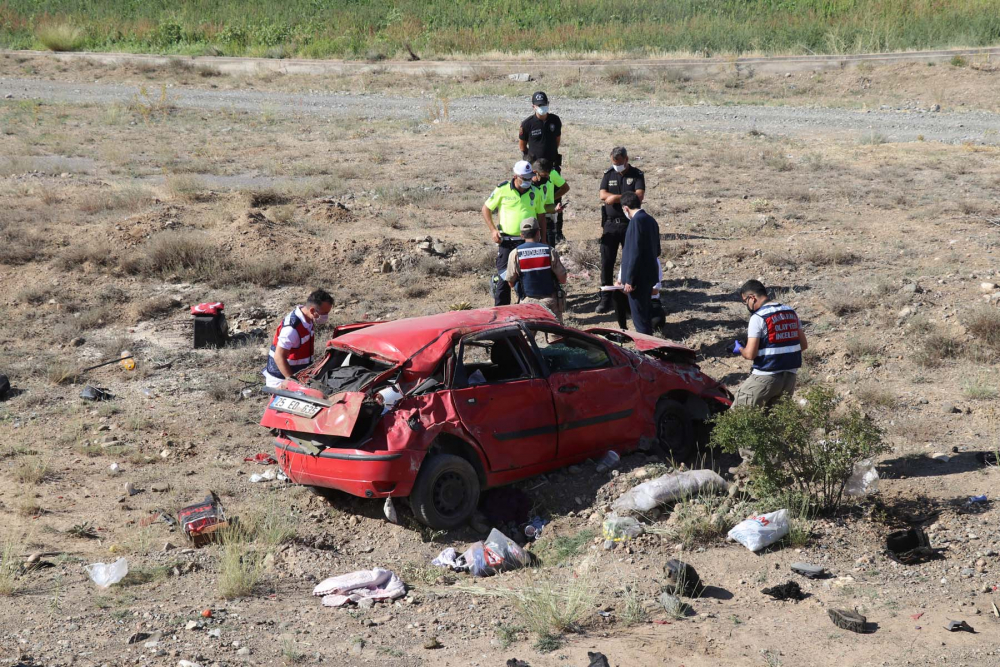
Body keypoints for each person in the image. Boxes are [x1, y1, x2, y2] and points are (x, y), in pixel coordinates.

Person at [731, 279, 808, 408]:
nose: (746, 305)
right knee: (773, 425)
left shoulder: (758, 317)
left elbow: (750, 354)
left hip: (764, 378)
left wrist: (740, 349)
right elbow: (803, 345)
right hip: (789, 379)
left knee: (736, 420)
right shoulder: (790, 312)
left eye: (745, 301)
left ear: (752, 298)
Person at [482, 160, 547, 306]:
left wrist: (543, 238)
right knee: (505, 277)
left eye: (530, 178)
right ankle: (501, 311)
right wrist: (493, 230)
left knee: (527, 276)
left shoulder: (535, 192)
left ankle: (525, 307)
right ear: (515, 176)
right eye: (525, 178)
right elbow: (486, 209)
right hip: (507, 240)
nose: (528, 181)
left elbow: (541, 216)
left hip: (528, 241)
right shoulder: (502, 190)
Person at [597, 146, 645, 313]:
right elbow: (603, 195)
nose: (616, 165)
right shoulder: (608, 173)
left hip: (628, 224)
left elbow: (638, 197)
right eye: (614, 163)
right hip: (610, 224)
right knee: (607, 261)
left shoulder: (637, 174)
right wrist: (625, 196)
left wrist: (615, 198)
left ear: (626, 159)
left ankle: (627, 297)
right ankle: (605, 298)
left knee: (629, 261)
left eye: (618, 162)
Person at [262, 289, 334, 388]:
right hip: (281, 379)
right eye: (324, 313)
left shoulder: (307, 318)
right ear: (312, 310)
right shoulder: (292, 329)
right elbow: (278, 356)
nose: (326, 316)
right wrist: (290, 380)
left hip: (298, 375)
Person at [507, 217, 568, 322]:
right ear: (538, 233)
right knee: (556, 335)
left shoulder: (515, 253)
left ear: (521, 235)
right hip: (550, 300)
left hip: (527, 302)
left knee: (527, 336)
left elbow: (511, 282)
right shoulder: (549, 251)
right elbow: (563, 279)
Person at [618, 192, 660, 335]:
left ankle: (646, 351)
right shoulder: (651, 220)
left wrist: (629, 279)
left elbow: (634, 252)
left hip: (637, 280)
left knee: (640, 320)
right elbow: (657, 250)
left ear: (625, 208)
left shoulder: (635, 222)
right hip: (649, 276)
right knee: (645, 315)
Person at [613, 258, 666, 333]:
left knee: (656, 323)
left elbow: (655, 291)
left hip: (650, 300)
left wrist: (635, 290)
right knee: (616, 293)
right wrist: (617, 285)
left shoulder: (654, 260)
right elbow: (619, 282)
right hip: (631, 298)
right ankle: (623, 329)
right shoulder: (626, 258)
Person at [519, 91, 562, 170]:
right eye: (539, 105)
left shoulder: (555, 120)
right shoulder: (527, 124)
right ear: (533, 106)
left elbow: (557, 140)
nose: (542, 107)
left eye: (544, 104)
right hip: (535, 167)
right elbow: (522, 147)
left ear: (548, 104)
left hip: (552, 165)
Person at [531, 157, 570, 245]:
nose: (547, 178)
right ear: (535, 173)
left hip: (546, 220)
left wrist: (555, 207)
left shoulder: (549, 177)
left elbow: (546, 206)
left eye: (548, 175)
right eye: (544, 175)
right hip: (532, 223)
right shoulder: (527, 186)